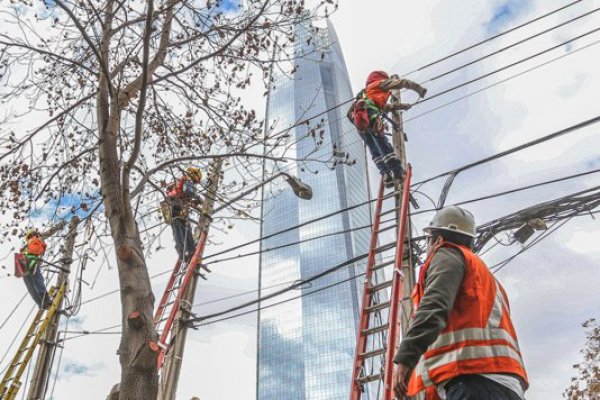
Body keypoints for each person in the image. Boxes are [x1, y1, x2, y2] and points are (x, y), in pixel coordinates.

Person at [393, 206, 528, 400]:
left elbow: (434, 307)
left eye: (429, 240)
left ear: (438, 240)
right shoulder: (486, 280)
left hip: (475, 381)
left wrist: (405, 359)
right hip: (503, 384)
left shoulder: (447, 254)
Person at [348, 70, 427, 188]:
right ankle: (398, 172)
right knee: (382, 143)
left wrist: (402, 106)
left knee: (374, 149)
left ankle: (386, 175)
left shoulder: (366, 93)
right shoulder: (379, 84)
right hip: (372, 116)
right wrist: (419, 89)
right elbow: (401, 83)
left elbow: (386, 107)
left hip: (361, 123)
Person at [167, 167, 203, 263]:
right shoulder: (187, 179)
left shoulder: (182, 182)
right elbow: (189, 191)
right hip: (175, 205)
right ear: (194, 175)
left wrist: (194, 201)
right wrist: (198, 198)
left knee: (186, 227)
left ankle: (189, 250)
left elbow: (186, 194)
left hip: (179, 206)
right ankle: (183, 251)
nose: (197, 182)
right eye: (197, 179)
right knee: (179, 228)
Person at [20, 229, 53, 309]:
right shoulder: (32, 243)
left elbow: (39, 251)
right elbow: (39, 251)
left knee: (32, 284)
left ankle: (42, 302)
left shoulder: (32, 243)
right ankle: (44, 302)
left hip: (27, 263)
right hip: (28, 262)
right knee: (35, 282)